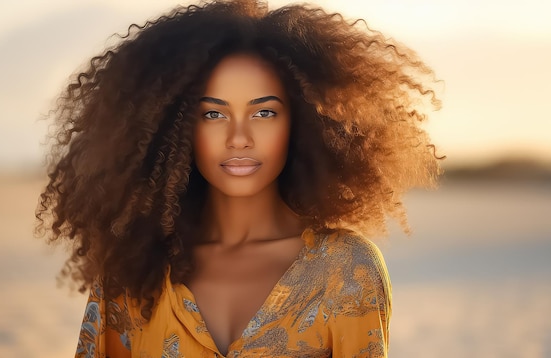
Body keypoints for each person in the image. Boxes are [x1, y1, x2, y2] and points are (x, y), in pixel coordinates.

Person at [36, 0, 441, 356]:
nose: (239, 138)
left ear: (300, 122)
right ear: (174, 126)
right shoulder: (131, 271)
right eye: (213, 113)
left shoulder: (347, 272)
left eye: (264, 112)